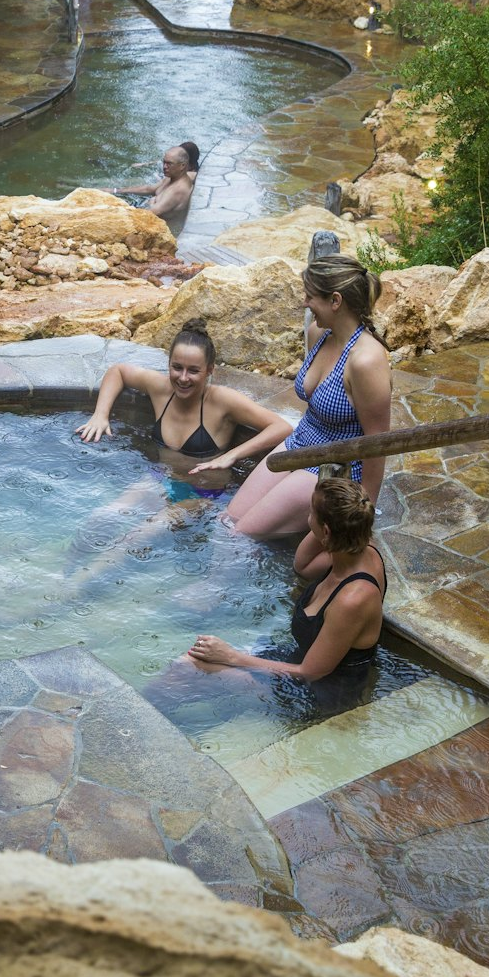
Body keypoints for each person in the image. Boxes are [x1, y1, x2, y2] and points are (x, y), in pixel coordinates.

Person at [224, 254, 391, 571]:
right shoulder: (319, 333)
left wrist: (363, 514)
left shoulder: (366, 361)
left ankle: (210, 596)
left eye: (310, 296)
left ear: (336, 300)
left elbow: (378, 443)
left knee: (240, 537)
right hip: (301, 443)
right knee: (228, 519)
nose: (305, 303)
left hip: (336, 464)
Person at [188, 475, 386, 682]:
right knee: (192, 660)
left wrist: (230, 656)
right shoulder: (359, 546)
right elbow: (302, 565)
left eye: (310, 514)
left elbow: (311, 673)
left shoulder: (353, 599)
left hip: (320, 690)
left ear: (325, 530)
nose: (308, 519)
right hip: (296, 659)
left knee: (189, 665)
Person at [76, 318, 291, 498]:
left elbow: (282, 427)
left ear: (209, 370)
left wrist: (232, 455)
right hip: (161, 475)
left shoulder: (222, 400)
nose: (183, 378)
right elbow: (118, 371)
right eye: (177, 368)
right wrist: (100, 415)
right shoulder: (161, 388)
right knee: (105, 517)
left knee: (140, 535)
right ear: (168, 363)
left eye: (193, 370)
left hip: (203, 488)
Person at [107, 145, 195, 224]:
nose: (164, 167)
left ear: (182, 166)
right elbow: (148, 189)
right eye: (164, 162)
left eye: (169, 164)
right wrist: (116, 190)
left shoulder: (177, 191)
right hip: (145, 211)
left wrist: (152, 201)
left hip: (158, 228)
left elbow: (149, 214)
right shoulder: (172, 177)